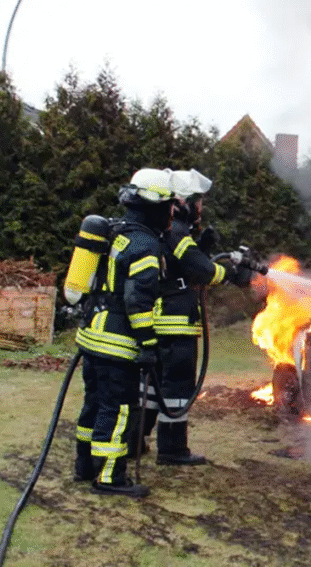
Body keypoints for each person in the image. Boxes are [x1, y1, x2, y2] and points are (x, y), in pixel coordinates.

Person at [73, 168, 177, 497]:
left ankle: (84, 465)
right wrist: (148, 345)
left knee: (94, 403)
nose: (171, 213)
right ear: (154, 205)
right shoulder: (146, 246)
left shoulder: (117, 232)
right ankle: (109, 478)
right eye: (169, 205)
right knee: (118, 410)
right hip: (118, 343)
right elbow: (138, 300)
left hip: (92, 335)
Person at [139, 168, 252, 465]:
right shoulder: (177, 232)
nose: (201, 208)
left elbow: (183, 263)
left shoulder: (169, 231)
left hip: (160, 323)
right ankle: (173, 449)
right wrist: (232, 273)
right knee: (176, 388)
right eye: (197, 202)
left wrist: (203, 246)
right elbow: (200, 270)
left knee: (152, 388)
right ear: (183, 203)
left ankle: (135, 440)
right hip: (175, 326)